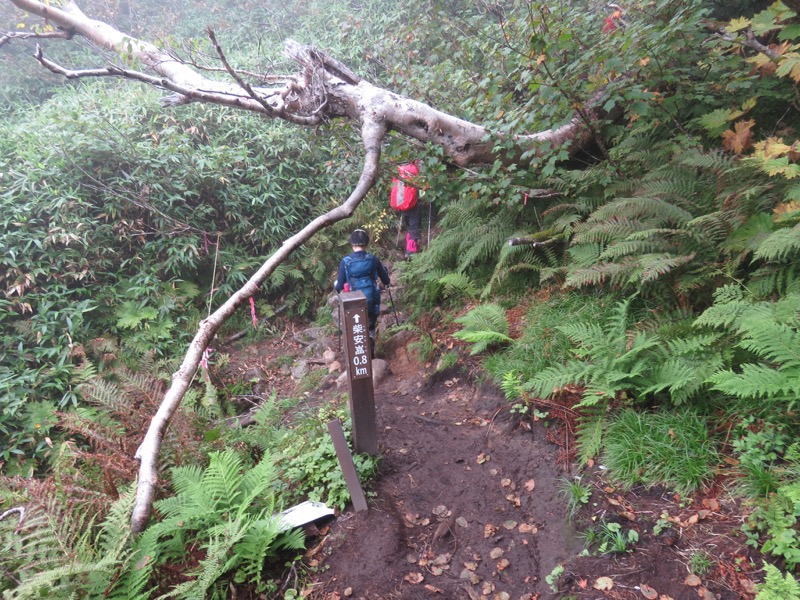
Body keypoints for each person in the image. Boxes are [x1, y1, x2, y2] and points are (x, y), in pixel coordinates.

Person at [335, 229, 391, 350]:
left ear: (352, 244)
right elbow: (386, 280)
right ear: (366, 243)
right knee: (370, 326)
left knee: (356, 328)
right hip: (371, 298)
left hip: (353, 302)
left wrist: (337, 286)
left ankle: (358, 354)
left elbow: (339, 285)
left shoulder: (345, 262)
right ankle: (371, 350)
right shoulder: (372, 259)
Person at [390, 162, 422, 258]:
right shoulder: (414, 169)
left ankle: (409, 246)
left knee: (409, 225)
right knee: (414, 226)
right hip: (413, 204)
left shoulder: (398, 169)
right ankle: (411, 251)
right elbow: (421, 185)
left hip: (401, 203)